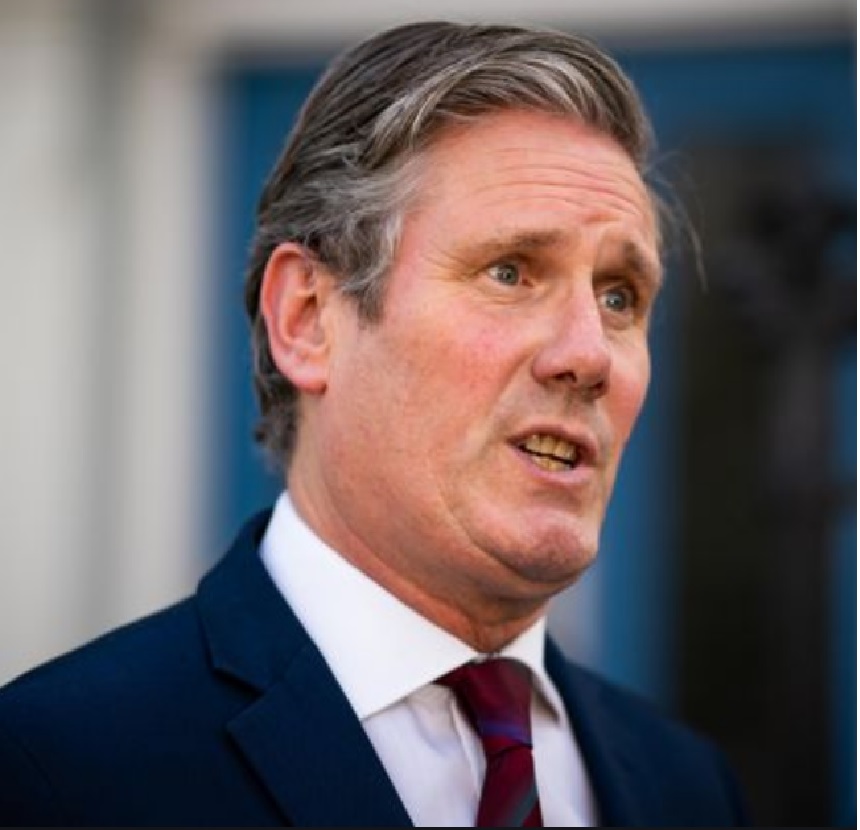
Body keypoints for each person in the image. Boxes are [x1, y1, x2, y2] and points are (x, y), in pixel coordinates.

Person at [0, 20, 750, 827]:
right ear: (308, 319)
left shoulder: (689, 787)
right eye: (510, 272)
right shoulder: (55, 770)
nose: (590, 354)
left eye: (619, 297)